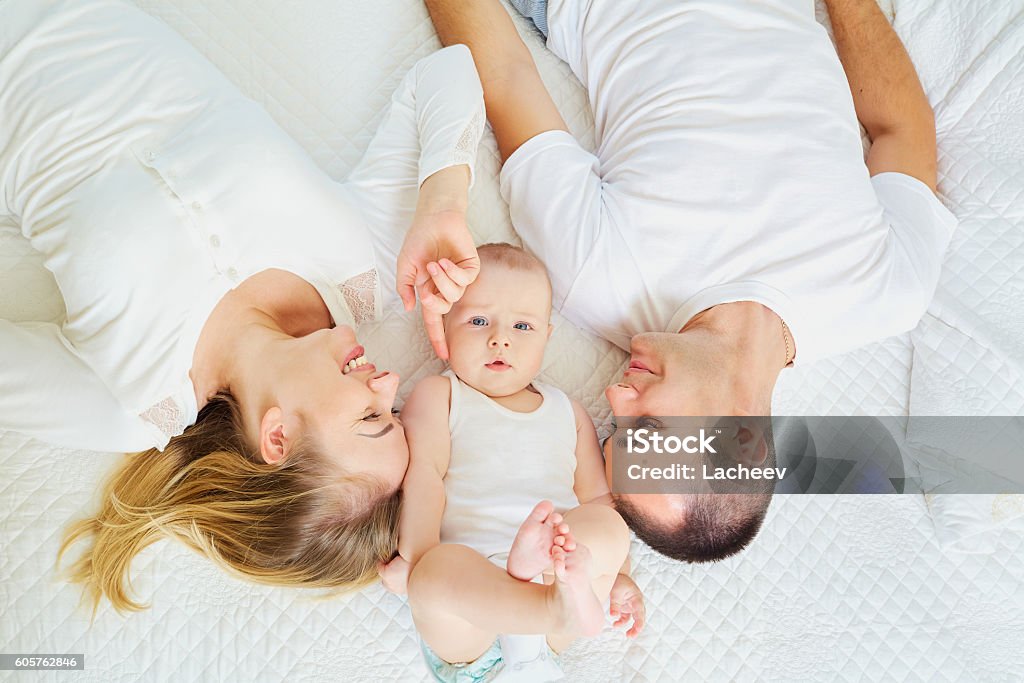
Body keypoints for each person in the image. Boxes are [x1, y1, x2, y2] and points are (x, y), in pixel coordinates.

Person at [423, 0, 958, 562]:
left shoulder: (595, 278)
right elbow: (900, 130)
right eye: (647, 429)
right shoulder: (886, 294)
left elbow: (505, 73)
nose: (615, 396)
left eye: (614, 430)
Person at [0, 0, 484, 610]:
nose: (389, 381)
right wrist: (443, 204)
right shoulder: (361, 272)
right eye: (395, 409)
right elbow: (447, 72)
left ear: (276, 438)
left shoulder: (131, 400)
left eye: (372, 417)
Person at [379, 244, 643, 681]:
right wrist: (418, 554)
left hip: (555, 585)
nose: (500, 338)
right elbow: (424, 475)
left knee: (610, 526)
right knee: (433, 576)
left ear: (547, 337)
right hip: (476, 619)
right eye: (479, 320)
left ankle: (548, 597)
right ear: (443, 326)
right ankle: (546, 606)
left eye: (522, 325)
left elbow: (596, 497)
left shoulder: (568, 412)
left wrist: (617, 575)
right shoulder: (441, 396)